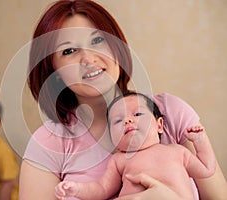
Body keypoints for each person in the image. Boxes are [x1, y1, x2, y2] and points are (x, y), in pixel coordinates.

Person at [19, 0, 227, 199]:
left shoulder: (171, 112)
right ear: (53, 71)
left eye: (97, 40)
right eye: (69, 51)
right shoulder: (48, 143)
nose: (89, 59)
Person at [54, 91, 216, 199]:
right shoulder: (120, 160)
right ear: (113, 138)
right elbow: (102, 189)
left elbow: (207, 169)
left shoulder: (178, 152)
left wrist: (200, 141)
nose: (128, 120)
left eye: (138, 114)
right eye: (118, 120)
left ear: (159, 125)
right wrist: (77, 189)